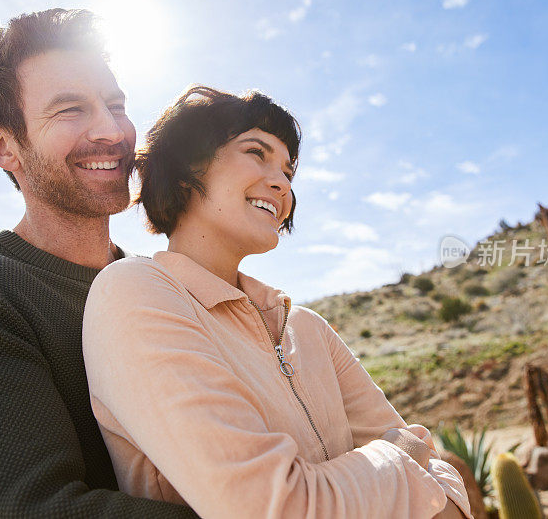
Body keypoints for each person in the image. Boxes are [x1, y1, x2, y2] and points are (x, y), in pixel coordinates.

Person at [82, 86, 472, 518]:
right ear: (184, 169)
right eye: (256, 152)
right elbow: (272, 507)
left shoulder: (307, 328)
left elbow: (441, 476)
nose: (281, 183)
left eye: (288, 171)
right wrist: (398, 459)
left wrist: (407, 465)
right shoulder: (134, 292)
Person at [0, 9, 198, 518]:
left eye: (115, 104)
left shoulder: (170, 285)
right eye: (70, 109)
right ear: (3, 146)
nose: (111, 130)